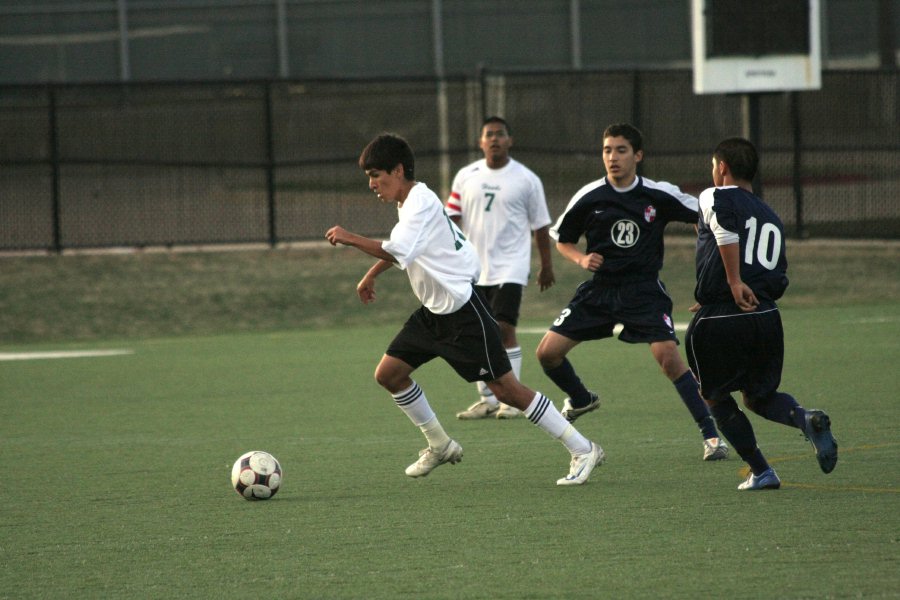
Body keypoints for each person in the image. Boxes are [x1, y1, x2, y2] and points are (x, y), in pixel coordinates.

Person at [325, 132, 604, 485]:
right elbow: (405, 247)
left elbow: (398, 250)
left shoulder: (420, 201)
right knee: (389, 375)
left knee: (507, 391)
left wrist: (350, 238)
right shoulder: (409, 202)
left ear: (398, 171)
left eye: (375, 175)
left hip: (463, 314)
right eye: (368, 177)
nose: (371, 184)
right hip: (433, 314)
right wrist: (371, 274)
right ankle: (440, 445)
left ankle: (582, 449)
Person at [535, 122, 729, 461]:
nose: (613, 157)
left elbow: (705, 215)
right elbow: (562, 238)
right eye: (607, 150)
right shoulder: (590, 196)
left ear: (637, 155)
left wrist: (708, 254)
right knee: (547, 354)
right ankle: (581, 398)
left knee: (668, 358)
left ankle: (712, 437)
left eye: (621, 150)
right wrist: (581, 258)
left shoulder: (657, 194)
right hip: (600, 291)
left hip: (643, 291)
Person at [685, 137, 838, 490]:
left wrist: (732, 284)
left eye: (714, 165)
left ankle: (762, 471)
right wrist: (723, 285)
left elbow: (724, 229)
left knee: (714, 396)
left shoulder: (713, 195)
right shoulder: (770, 216)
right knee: (758, 397)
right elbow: (777, 274)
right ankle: (804, 417)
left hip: (721, 317)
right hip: (766, 315)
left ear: (721, 167)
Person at [445, 116, 555, 420]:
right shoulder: (465, 176)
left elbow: (540, 225)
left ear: (510, 140)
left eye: (500, 134)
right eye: (488, 134)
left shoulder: (526, 179)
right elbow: (451, 217)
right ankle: (488, 400)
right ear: (480, 142)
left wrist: (546, 265)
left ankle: (511, 398)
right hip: (472, 268)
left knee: (504, 329)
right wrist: (448, 257)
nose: (494, 139)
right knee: (476, 332)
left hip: (511, 265)